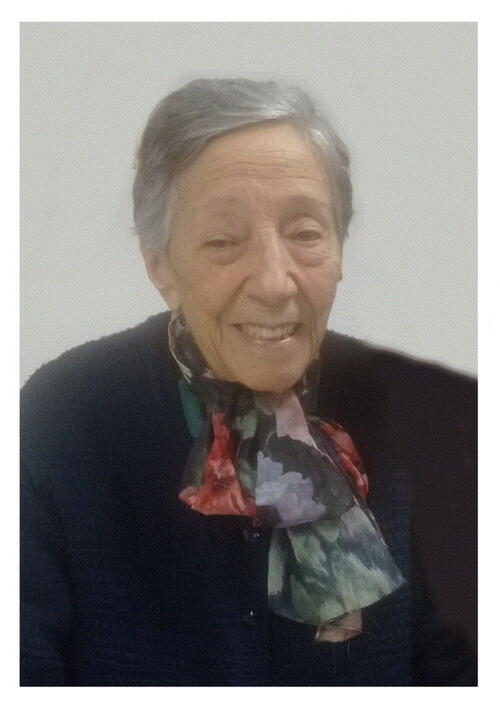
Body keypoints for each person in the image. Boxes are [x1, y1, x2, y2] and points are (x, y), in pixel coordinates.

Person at [20, 77, 477, 686]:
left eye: (306, 233)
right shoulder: (62, 419)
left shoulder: (413, 416)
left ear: (340, 247)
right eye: (223, 240)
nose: (273, 282)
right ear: (161, 266)